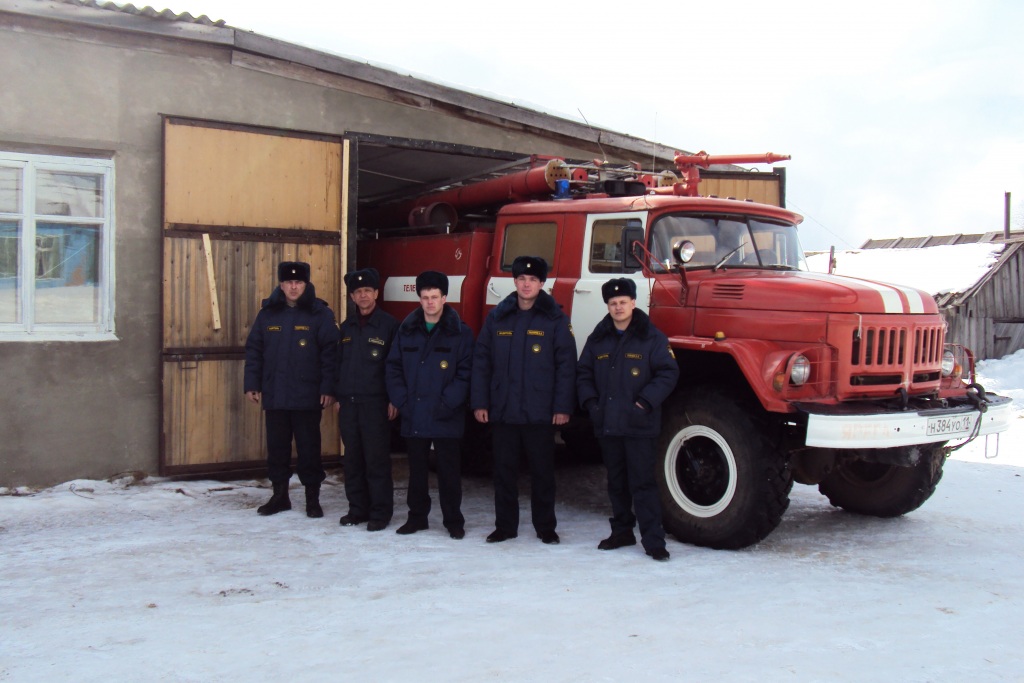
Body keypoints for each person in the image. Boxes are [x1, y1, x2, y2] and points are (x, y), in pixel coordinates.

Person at [471, 255, 576, 545]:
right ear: (514, 282)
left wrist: (562, 407)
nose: (526, 284)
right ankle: (505, 526)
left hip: (540, 413)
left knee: (542, 473)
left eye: (532, 279)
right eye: (521, 279)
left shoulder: (555, 319)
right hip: (503, 411)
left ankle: (546, 527)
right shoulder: (497, 317)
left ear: (542, 283)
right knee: (503, 472)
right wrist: (480, 403)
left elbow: (567, 366)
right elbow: (482, 362)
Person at [576, 277, 679, 561]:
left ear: (633, 303)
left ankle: (653, 540)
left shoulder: (652, 338)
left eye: (623, 302)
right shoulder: (598, 339)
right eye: (613, 303)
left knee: (643, 484)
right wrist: (592, 404)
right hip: (608, 425)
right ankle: (622, 531)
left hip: (638, 425)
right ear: (607, 306)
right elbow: (583, 372)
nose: (618, 307)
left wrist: (644, 402)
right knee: (616, 483)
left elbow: (668, 372)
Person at [244, 261, 339, 518]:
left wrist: (328, 387)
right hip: (275, 394)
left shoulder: (319, 314)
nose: (293, 287)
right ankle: (280, 496)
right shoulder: (268, 313)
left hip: (308, 396)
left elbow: (331, 353)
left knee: (309, 449)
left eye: (298, 282)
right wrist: (252, 383)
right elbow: (254, 350)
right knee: (277, 448)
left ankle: (312, 499)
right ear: (281, 285)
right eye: (288, 282)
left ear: (306, 284)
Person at [385, 271, 474, 539]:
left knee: (449, 471)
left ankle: (453, 520)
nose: (430, 302)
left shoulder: (461, 333)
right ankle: (417, 517)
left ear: (445, 298)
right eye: (425, 297)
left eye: (435, 297)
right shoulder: (407, 330)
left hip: (447, 413)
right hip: (414, 412)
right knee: (417, 472)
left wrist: (449, 403)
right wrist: (402, 401)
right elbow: (393, 367)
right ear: (419, 299)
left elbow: (466, 372)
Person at [335, 268, 399, 532]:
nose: (363, 295)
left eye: (367, 291)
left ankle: (380, 512)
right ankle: (357, 509)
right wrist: (338, 396)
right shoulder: (346, 328)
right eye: (358, 291)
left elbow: (396, 367)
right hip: (349, 404)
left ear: (376, 293)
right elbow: (337, 364)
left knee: (376, 460)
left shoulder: (389, 326)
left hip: (376, 404)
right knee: (353, 460)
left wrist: (394, 399)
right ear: (352, 296)